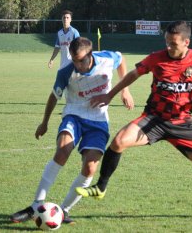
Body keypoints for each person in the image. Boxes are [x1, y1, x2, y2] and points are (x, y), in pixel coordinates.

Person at [76, 21, 192, 220]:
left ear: (186, 42)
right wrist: (111, 95)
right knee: (118, 142)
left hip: (182, 124)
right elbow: (133, 74)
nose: (168, 47)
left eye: (173, 44)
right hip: (153, 119)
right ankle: (101, 187)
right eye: (166, 42)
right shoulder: (156, 58)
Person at [10, 37, 134, 225]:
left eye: (81, 60)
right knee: (63, 150)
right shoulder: (66, 71)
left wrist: (125, 90)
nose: (77, 64)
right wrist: (44, 123)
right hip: (74, 115)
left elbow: (121, 58)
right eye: (73, 60)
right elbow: (53, 97)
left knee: (90, 167)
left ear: (91, 55)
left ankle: (64, 210)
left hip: (98, 120)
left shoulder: (106, 59)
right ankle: (36, 205)